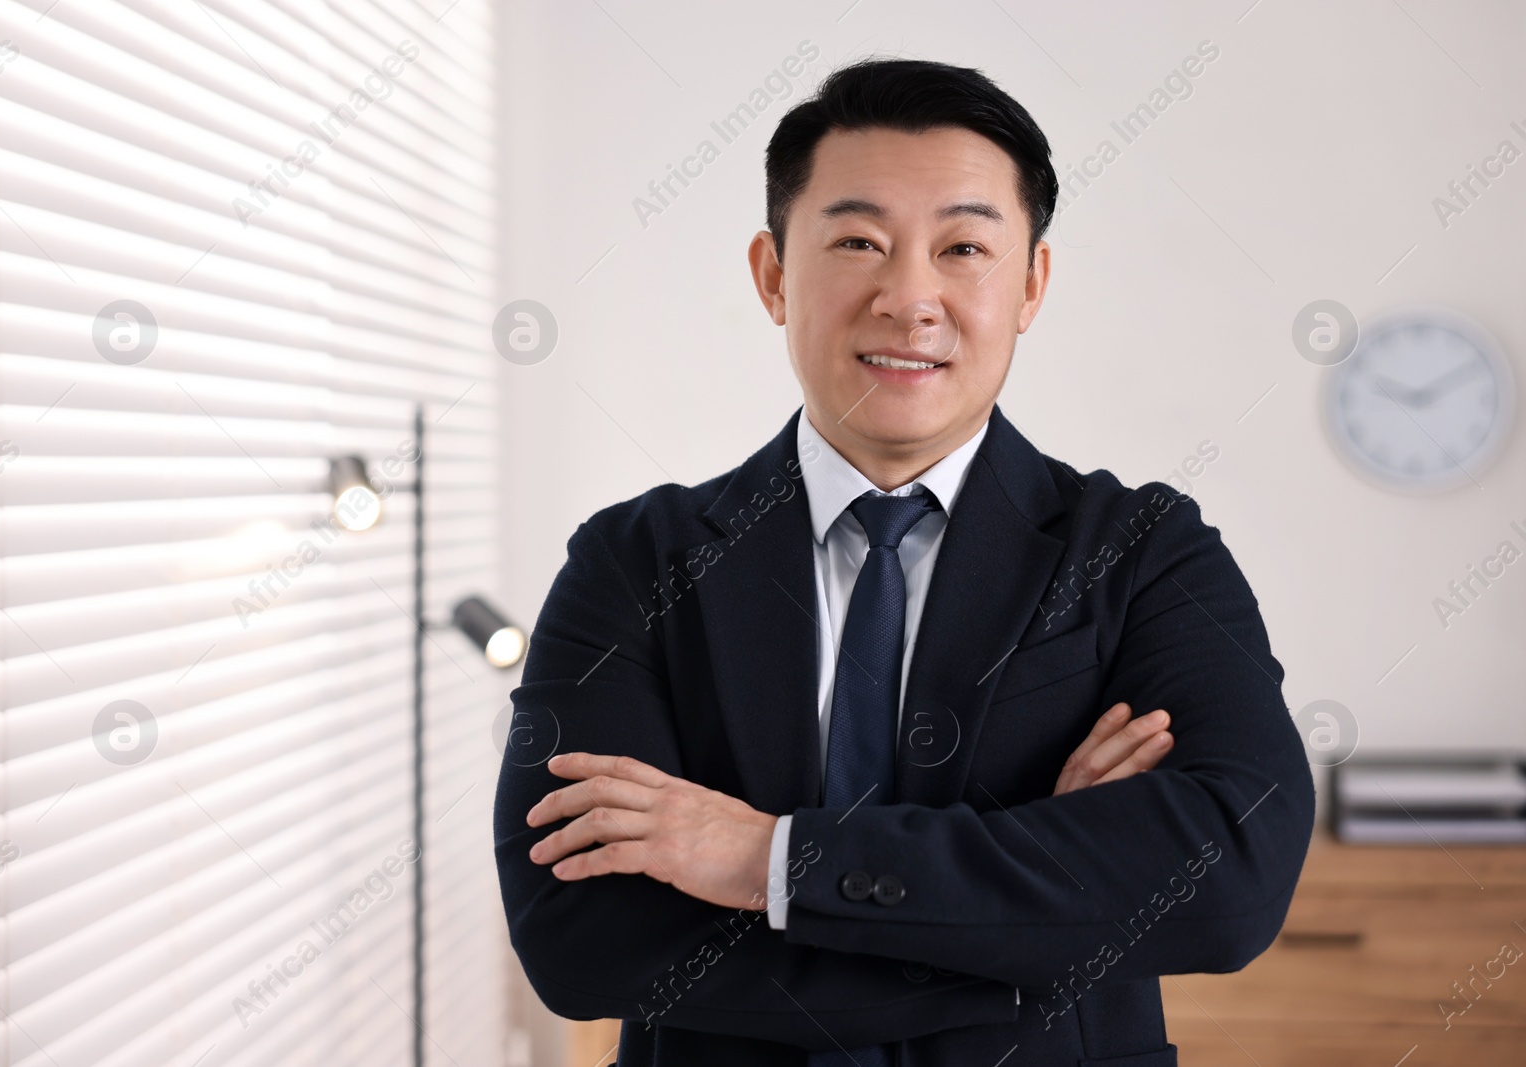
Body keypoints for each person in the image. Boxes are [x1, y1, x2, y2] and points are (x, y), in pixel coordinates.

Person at [493, 57, 1313, 1067]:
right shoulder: (631, 564)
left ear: (1030, 285)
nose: (909, 297)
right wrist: (1032, 923)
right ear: (773, 276)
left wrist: (766, 858)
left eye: (964, 246)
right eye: (857, 242)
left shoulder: (1141, 553)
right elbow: (585, 941)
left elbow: (1230, 877)